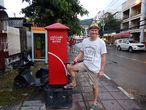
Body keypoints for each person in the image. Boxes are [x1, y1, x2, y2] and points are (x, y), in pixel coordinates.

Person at [64, 22, 107, 110]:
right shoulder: (85, 41)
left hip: (94, 68)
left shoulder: (101, 42)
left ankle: (94, 102)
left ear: (98, 31)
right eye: (92, 30)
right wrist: (76, 58)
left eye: (95, 30)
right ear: (89, 31)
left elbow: (103, 57)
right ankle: (74, 82)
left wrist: (102, 70)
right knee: (69, 67)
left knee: (94, 86)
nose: (94, 32)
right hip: (85, 64)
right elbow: (82, 52)